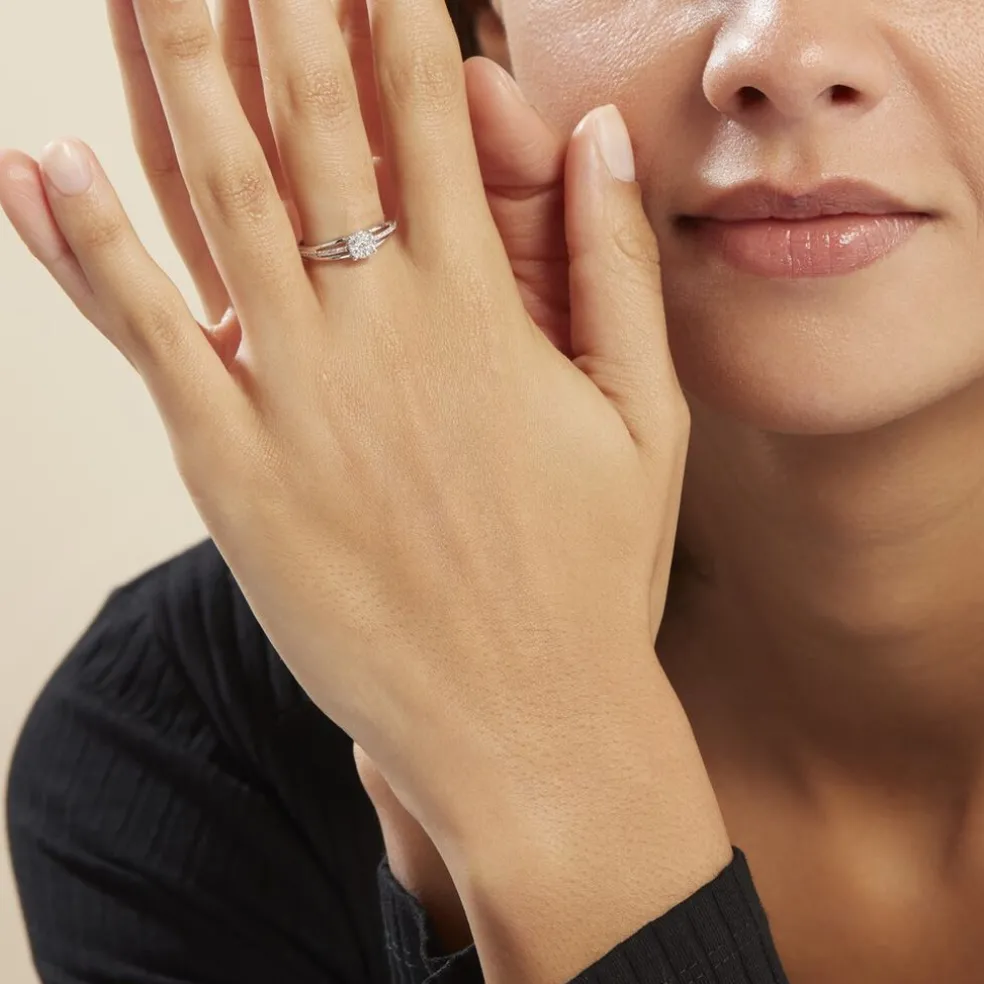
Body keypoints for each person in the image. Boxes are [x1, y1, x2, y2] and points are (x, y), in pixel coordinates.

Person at [2, 0, 979, 980]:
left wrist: (552, 776)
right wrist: (495, 782)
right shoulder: (189, 763)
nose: (786, 55)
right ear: (494, 25)